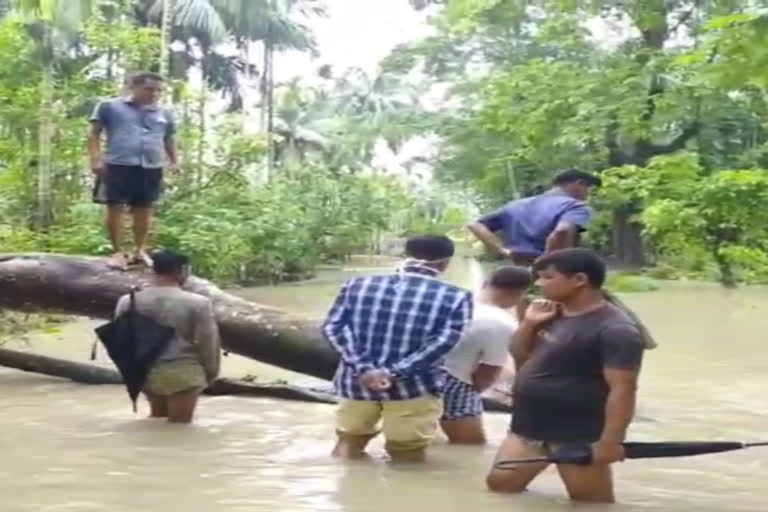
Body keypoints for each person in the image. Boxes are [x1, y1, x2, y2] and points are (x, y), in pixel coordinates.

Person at [485, 249, 645, 503]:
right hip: (528, 425)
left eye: (548, 277)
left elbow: (623, 389)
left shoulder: (616, 330)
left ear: (580, 280)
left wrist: (610, 442)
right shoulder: (551, 312)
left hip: (576, 433)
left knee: (590, 503)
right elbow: (521, 356)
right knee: (500, 486)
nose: (538, 284)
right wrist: (529, 323)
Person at [322, 235, 474, 462]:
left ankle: (347, 492)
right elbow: (443, 343)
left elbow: (332, 328)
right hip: (413, 387)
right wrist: (394, 373)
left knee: (347, 446)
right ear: (444, 263)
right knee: (408, 455)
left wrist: (365, 369)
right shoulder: (457, 297)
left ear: (406, 255)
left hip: (356, 383)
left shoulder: (357, 285)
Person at [114, 250, 220, 424]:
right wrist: (211, 372)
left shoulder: (127, 301)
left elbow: (120, 341)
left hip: (145, 371)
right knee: (180, 429)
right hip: (183, 372)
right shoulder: (198, 303)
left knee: (157, 423)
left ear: (153, 271)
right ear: (183, 270)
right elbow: (208, 341)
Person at [88, 72, 179, 270]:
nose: (154, 94)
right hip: (118, 163)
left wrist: (174, 161)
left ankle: (140, 250)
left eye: (158, 91)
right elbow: (94, 133)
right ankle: (118, 252)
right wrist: (96, 159)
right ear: (134, 87)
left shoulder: (164, 114)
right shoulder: (110, 107)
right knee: (115, 207)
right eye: (149, 89)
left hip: (151, 165)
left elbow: (169, 139)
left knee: (144, 209)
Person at [440, 265, 532, 445]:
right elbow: (487, 373)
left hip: (417, 376)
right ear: (518, 294)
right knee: (471, 447)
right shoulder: (502, 323)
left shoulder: (455, 301)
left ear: (486, 282)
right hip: (454, 382)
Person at [467, 169, 601, 267]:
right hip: (556, 274)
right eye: (589, 188)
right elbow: (562, 232)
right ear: (579, 183)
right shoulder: (574, 206)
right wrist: (544, 265)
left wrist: (503, 250)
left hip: (518, 272)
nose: (589, 193)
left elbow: (476, 225)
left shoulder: (516, 205)